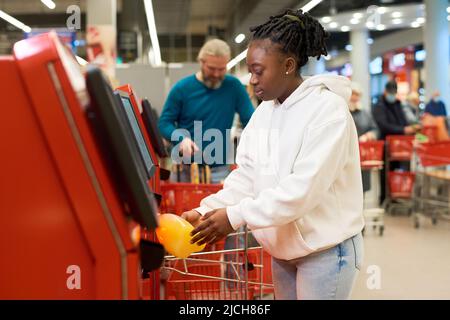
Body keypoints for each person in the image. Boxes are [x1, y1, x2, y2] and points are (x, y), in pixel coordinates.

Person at [182, 9, 364, 300]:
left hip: (326, 250)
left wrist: (234, 216)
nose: (252, 80)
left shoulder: (328, 111)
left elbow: (301, 191)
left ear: (288, 65)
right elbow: (246, 176)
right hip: (282, 250)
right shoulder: (265, 111)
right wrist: (207, 211)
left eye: (258, 71)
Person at [158, 39, 255, 183]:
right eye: (211, 68)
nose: (216, 74)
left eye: (221, 69)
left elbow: (252, 120)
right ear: (201, 62)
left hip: (220, 171)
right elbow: (164, 123)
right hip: (185, 170)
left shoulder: (234, 87)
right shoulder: (182, 88)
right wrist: (181, 138)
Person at [349, 82, 379, 193]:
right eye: (352, 94)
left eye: (357, 95)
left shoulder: (365, 113)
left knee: (363, 187)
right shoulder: (342, 112)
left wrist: (369, 135)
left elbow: (375, 129)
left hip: (363, 156)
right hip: (348, 157)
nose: (354, 97)